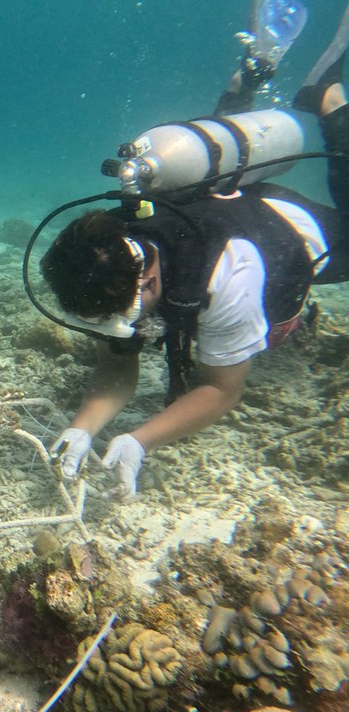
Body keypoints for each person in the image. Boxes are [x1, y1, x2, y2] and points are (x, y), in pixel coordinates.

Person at [40, 1, 349, 499]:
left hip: (287, 226)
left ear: (145, 282)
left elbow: (221, 390)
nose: (117, 328)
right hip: (215, 197)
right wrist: (83, 427)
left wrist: (139, 440)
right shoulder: (111, 256)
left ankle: (330, 100)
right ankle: (251, 76)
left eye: (117, 319)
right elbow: (117, 366)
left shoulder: (230, 275)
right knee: (214, 169)